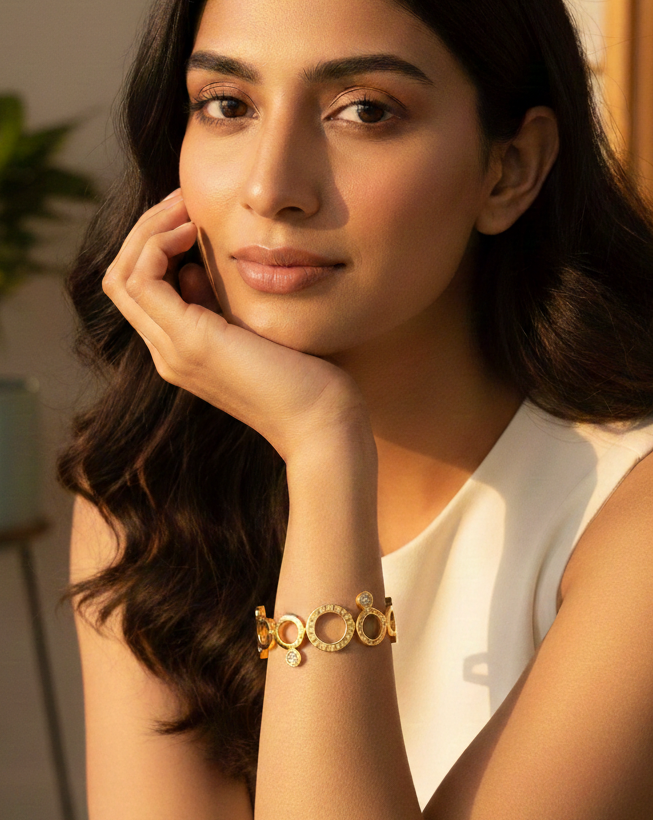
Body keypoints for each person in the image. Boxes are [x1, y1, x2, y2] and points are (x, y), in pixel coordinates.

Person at [59, 0, 653, 817]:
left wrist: (324, 450)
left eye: (364, 111)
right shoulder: (151, 488)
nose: (272, 188)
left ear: (509, 169)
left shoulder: (632, 514)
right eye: (227, 105)